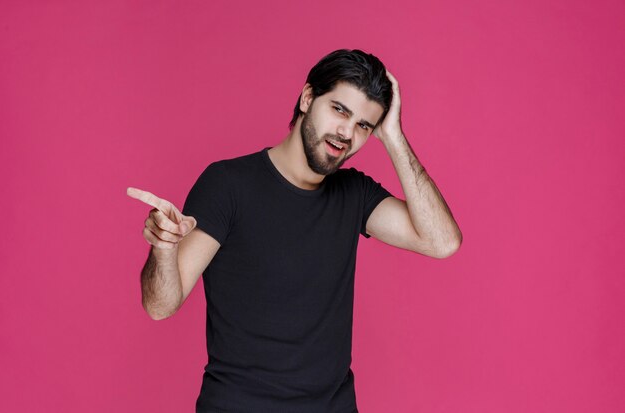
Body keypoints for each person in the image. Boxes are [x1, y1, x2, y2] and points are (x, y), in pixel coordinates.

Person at [127, 49, 462, 413]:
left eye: (364, 125)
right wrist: (163, 248)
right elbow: (160, 307)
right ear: (307, 98)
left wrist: (394, 138)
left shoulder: (354, 193)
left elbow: (441, 242)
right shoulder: (228, 185)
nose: (346, 133)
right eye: (339, 110)